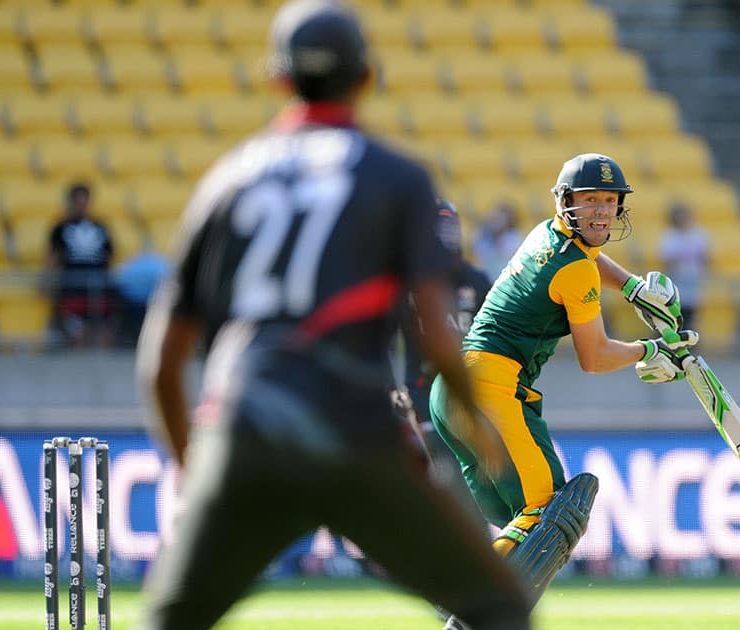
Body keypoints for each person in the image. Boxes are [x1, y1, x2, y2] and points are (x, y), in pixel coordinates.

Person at [135, 2, 531, 629]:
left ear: (276, 79)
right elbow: (436, 332)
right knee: (499, 610)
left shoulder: (225, 181)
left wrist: (199, 468)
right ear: (367, 77)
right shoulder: (397, 179)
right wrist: (480, 435)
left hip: (244, 434)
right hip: (356, 436)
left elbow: (160, 362)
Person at [428, 153, 700, 628]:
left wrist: (633, 287)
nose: (600, 211)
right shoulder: (574, 270)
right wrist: (650, 351)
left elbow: (590, 261)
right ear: (566, 202)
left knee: (523, 521)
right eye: (589, 200)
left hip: (452, 392)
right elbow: (594, 358)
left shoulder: (546, 234)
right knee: (551, 513)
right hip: (492, 390)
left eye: (610, 201)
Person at [398, 198, 493, 490]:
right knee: (434, 473)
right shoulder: (408, 284)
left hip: (468, 392)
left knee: (473, 476)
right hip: (422, 391)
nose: (443, 233)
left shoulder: (476, 282)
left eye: (448, 224)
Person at [45, 181, 118, 348]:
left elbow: (109, 255)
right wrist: (47, 280)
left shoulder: (100, 226)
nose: (83, 206)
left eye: (85, 201)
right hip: (73, 288)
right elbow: (53, 256)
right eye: (79, 201)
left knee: (105, 330)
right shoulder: (61, 227)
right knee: (78, 333)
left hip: (100, 287)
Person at [658, 201, 709, 329]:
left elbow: (706, 257)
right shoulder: (670, 236)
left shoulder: (699, 234)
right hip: (675, 284)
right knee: (672, 317)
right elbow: (667, 262)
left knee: (689, 318)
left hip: (693, 283)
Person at [114, 241, 171, 346]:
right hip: (154, 306)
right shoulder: (161, 264)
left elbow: (118, 280)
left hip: (133, 305)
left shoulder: (132, 264)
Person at [471, 200, 523, 281]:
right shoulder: (484, 234)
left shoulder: (514, 237)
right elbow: (478, 253)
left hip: (505, 280)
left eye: (500, 218)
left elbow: (506, 255)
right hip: (485, 277)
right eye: (495, 217)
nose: (497, 221)